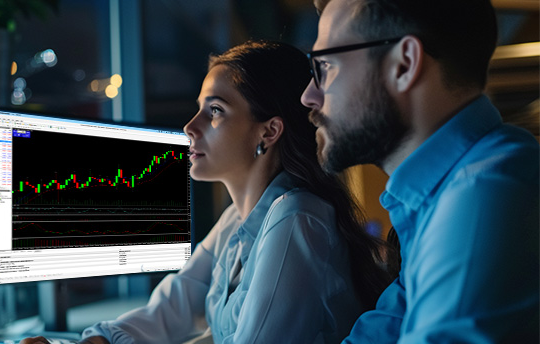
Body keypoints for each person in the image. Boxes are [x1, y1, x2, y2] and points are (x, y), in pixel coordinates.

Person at [22, 40, 392, 344]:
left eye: (214, 111)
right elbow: (172, 308)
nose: (189, 127)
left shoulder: (296, 218)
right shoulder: (237, 220)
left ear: (268, 132)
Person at [300, 0, 539, 342]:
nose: (309, 96)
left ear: (404, 65)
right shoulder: (431, 198)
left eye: (323, 65)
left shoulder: (484, 193)